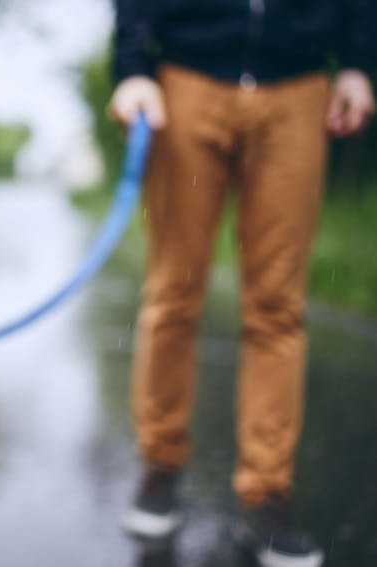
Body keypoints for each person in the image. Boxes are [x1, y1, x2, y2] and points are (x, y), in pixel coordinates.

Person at [108, 1, 376, 566]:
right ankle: (160, 468)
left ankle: (268, 496)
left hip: (299, 85)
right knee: (173, 294)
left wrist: (357, 60)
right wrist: (132, 66)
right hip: (185, 78)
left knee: (278, 306)